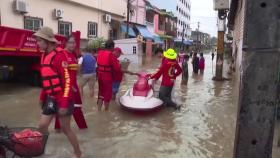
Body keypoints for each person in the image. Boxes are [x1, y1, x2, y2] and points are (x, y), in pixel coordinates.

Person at [34, 27, 82, 158]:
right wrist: (42, 97)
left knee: (66, 129)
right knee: (42, 125)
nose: (37, 43)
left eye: (39, 41)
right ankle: (41, 151)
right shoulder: (44, 55)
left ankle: (78, 153)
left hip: (63, 98)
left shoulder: (60, 56)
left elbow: (67, 81)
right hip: (51, 97)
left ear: (47, 41)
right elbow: (46, 79)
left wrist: (64, 103)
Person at [54, 35, 88, 130]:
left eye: (74, 42)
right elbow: (61, 74)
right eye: (70, 42)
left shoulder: (73, 55)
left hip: (73, 85)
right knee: (73, 108)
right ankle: (83, 129)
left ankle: (59, 130)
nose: (73, 44)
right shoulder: (61, 55)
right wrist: (70, 87)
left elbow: (74, 72)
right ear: (65, 43)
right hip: (66, 87)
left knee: (70, 107)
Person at [96, 40, 121, 111]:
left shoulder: (100, 53)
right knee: (107, 94)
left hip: (99, 76)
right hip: (107, 77)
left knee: (100, 94)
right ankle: (106, 111)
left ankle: (99, 110)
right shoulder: (111, 55)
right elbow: (117, 68)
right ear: (112, 47)